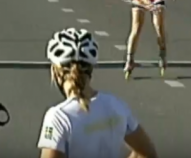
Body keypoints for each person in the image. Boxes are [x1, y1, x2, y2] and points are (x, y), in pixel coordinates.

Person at [38, 28, 158, 158]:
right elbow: (148, 153)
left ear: (55, 71)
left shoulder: (58, 117)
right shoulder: (117, 106)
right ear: (91, 69)